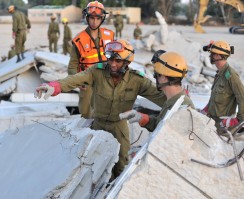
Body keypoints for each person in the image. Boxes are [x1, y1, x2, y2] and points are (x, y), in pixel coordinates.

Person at [34, 39, 166, 179]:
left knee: (121, 164)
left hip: (119, 127)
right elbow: (75, 79)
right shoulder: (97, 71)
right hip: (98, 125)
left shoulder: (137, 80)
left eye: (118, 61)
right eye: (110, 60)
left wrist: (179, 96)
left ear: (127, 62)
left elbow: (161, 97)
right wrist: (54, 87)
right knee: (92, 163)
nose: (113, 64)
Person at [120, 51, 194, 132]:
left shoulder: (182, 107)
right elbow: (160, 126)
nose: (155, 78)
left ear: (164, 78)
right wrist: (143, 118)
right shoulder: (172, 100)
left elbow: (170, 139)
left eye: (156, 74)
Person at [68, 1, 114, 119]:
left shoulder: (109, 36)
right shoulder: (79, 40)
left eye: (98, 18)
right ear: (87, 18)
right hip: (87, 85)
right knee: (87, 117)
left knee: (107, 116)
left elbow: (117, 59)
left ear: (102, 19)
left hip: (106, 83)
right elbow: (72, 67)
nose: (94, 21)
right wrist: (79, 81)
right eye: (92, 18)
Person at [200, 40, 244, 130]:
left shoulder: (231, 75)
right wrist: (206, 109)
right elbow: (215, 99)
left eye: (212, 54)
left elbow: (242, 97)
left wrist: (238, 120)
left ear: (217, 55)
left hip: (223, 127)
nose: (210, 56)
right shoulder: (219, 74)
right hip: (212, 124)